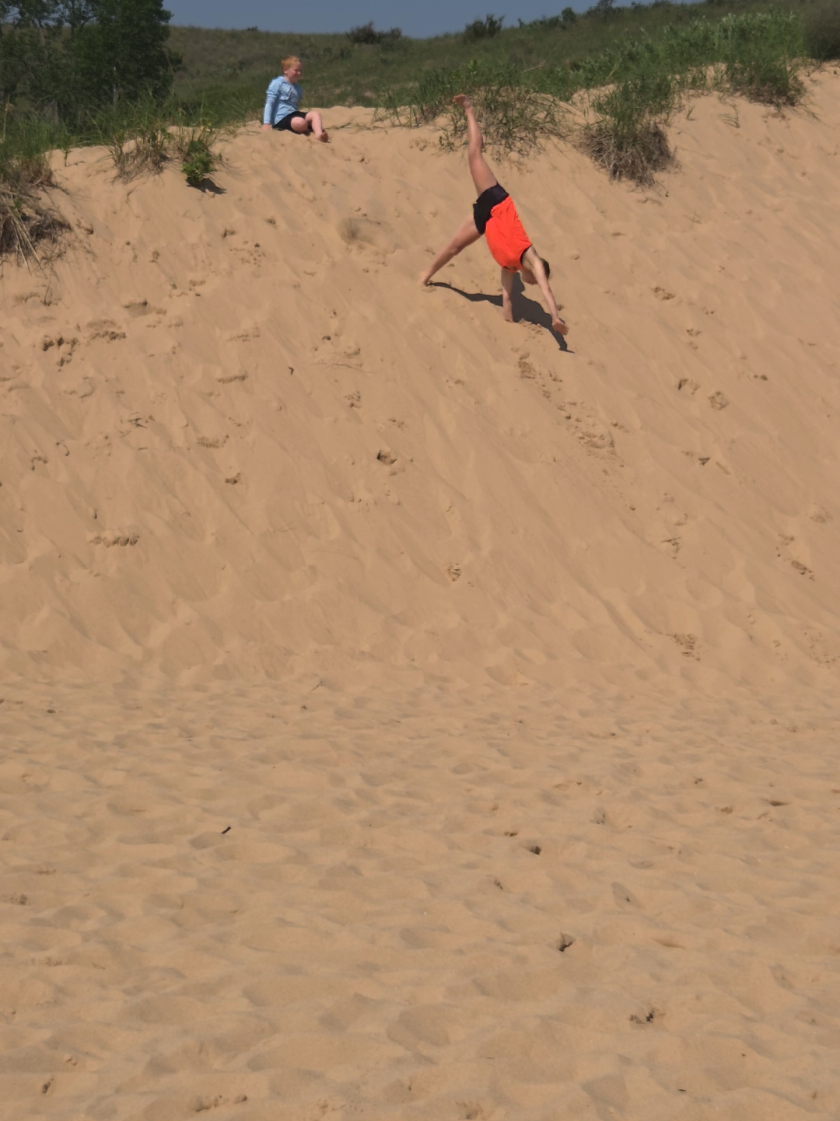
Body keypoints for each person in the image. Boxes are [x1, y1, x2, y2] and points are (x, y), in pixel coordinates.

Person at [421, 95, 567, 336]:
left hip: (485, 219)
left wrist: (509, 324)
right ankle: (469, 109)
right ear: (538, 272)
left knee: (455, 247)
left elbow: (507, 299)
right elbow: (547, 292)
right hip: (496, 202)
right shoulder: (534, 260)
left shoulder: (511, 266)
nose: (531, 284)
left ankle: (426, 275)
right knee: (474, 155)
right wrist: (554, 319)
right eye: (533, 280)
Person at [261, 56, 329, 142]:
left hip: (294, 114)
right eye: (296, 70)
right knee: (300, 123)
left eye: (300, 71)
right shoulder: (277, 83)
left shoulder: (297, 88)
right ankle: (307, 127)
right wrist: (266, 123)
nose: (299, 73)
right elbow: (269, 103)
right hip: (281, 119)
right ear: (286, 70)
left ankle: (319, 135)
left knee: (315, 114)